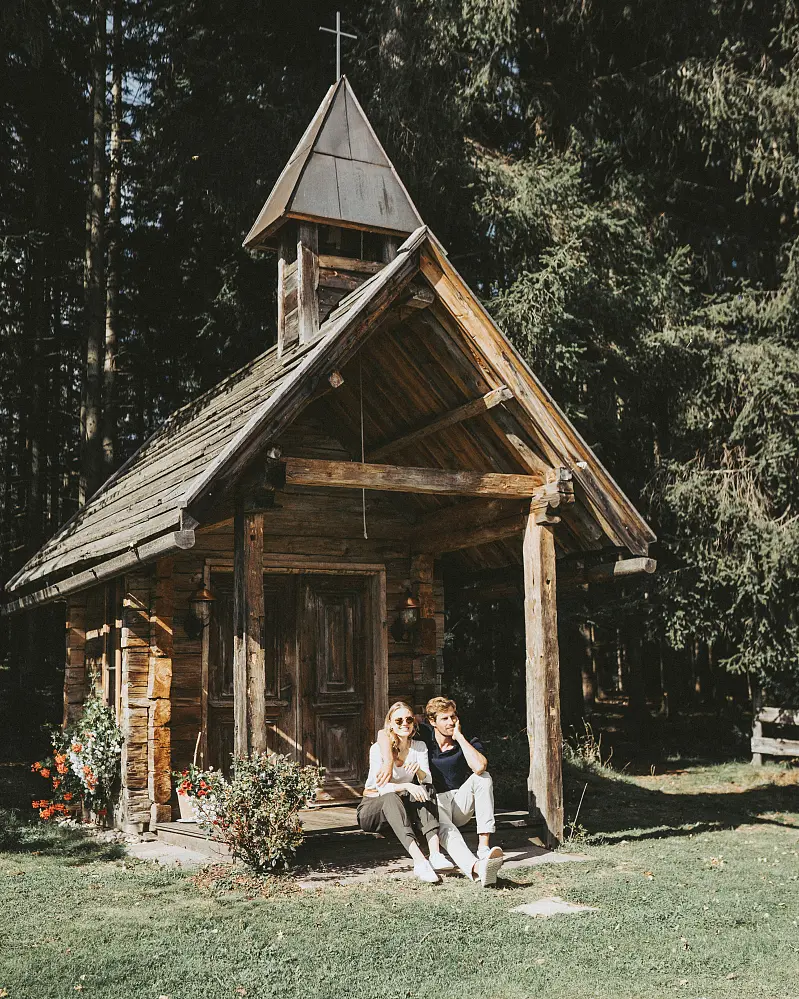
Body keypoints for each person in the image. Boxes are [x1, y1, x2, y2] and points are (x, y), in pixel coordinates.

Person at [376, 696, 504, 887]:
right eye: (444, 718)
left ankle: (484, 849)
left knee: (483, 778)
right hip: (434, 801)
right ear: (432, 721)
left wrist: (459, 737)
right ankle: (476, 868)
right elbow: (383, 733)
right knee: (446, 828)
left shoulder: (465, 737)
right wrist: (388, 762)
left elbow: (479, 767)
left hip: (460, 802)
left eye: (453, 717)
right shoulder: (424, 735)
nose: (451, 722)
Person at [357, 701, 455, 883]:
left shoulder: (419, 746)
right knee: (391, 797)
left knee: (426, 788)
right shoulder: (378, 749)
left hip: (400, 809)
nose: (405, 724)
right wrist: (408, 786)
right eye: (399, 720)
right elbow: (381, 788)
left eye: (409, 719)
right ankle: (420, 862)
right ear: (390, 724)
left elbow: (427, 780)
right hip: (372, 809)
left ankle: (435, 854)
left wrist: (419, 772)